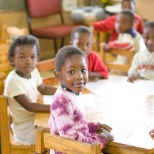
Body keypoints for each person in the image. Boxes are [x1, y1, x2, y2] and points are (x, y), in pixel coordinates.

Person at [49, 45, 113, 154]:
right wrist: (100, 140)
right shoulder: (61, 101)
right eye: (71, 72)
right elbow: (71, 139)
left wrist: (94, 126)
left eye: (83, 70)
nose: (79, 76)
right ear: (58, 75)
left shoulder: (71, 93)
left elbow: (75, 124)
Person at [3, 35, 56, 145]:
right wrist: (56, 108)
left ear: (37, 58)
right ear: (12, 59)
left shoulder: (33, 71)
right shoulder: (13, 81)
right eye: (22, 57)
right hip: (25, 128)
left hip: (36, 118)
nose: (28, 62)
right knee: (59, 136)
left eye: (32, 57)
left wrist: (64, 91)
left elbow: (43, 88)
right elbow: (29, 106)